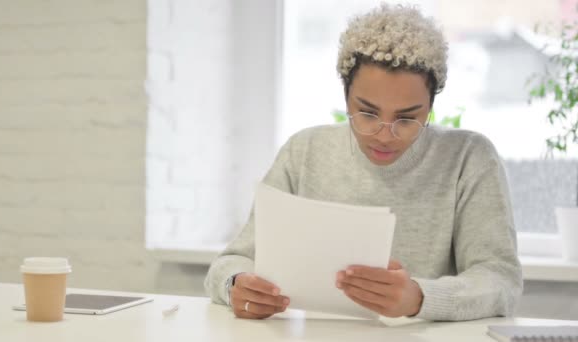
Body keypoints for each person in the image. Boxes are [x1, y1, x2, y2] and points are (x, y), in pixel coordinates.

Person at [204, 3, 523, 321]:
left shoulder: (469, 158)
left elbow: (501, 280)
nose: (385, 136)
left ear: (430, 106)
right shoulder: (304, 151)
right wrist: (237, 286)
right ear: (345, 97)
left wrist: (420, 298)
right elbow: (231, 262)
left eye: (408, 118)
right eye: (368, 113)